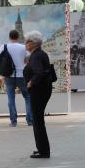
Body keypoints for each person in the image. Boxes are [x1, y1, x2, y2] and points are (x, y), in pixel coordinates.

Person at [0, 30, 33, 127]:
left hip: (9, 76)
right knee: (28, 97)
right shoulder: (23, 47)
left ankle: (13, 121)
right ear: (18, 37)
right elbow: (28, 59)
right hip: (22, 75)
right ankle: (30, 120)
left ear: (9, 37)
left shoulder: (4, 46)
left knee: (11, 99)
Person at [23, 31, 52, 159]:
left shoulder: (35, 56)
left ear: (33, 43)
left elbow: (39, 73)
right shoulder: (40, 53)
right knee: (38, 120)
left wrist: (30, 83)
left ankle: (43, 151)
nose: (25, 44)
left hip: (38, 91)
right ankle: (42, 148)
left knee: (38, 121)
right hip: (44, 90)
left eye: (27, 41)